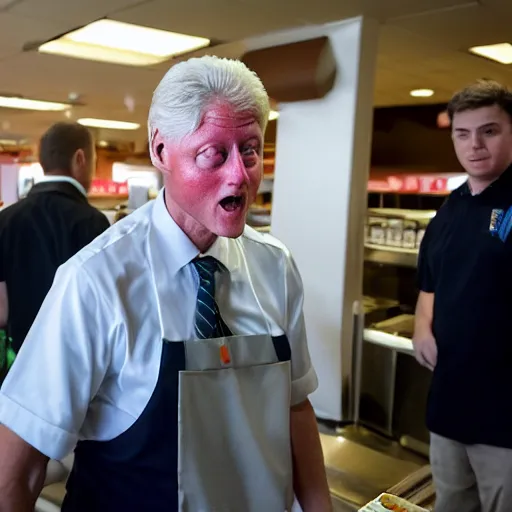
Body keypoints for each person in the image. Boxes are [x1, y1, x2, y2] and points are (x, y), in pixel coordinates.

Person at [0, 56, 331, 511]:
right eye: (213, 153)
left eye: (250, 150)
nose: (239, 174)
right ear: (160, 152)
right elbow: (17, 471)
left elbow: (294, 407)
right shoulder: (96, 281)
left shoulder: (274, 266)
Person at [413, 79, 512, 512]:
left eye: (489, 131)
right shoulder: (449, 209)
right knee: (451, 503)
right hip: (450, 403)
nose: (474, 144)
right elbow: (429, 283)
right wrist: (421, 327)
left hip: (505, 413)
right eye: (462, 133)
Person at [0, 121, 109, 379]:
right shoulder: (92, 222)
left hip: (20, 368)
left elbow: (1, 312)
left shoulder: (5, 220)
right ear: (80, 158)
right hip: (77, 368)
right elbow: (106, 305)